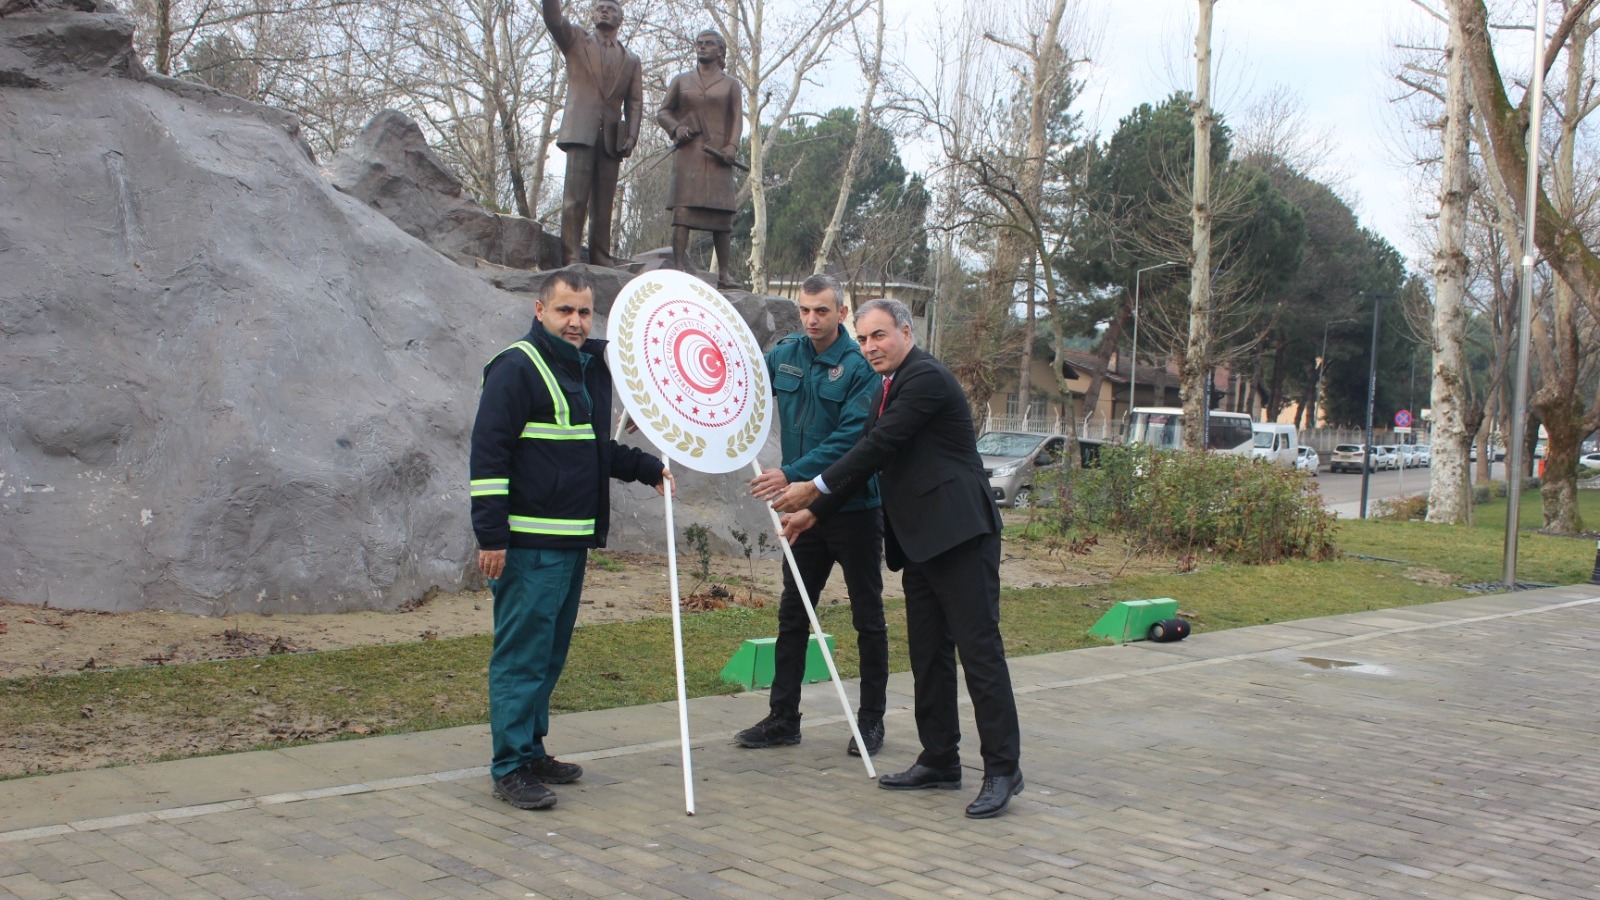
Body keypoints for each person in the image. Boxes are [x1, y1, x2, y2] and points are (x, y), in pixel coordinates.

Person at [772, 298, 1024, 819]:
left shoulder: (926, 379)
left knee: (979, 654)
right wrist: (816, 513)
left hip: (961, 535)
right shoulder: (886, 386)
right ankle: (939, 759)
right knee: (928, 653)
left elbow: (880, 446)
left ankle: (1003, 770)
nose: (870, 347)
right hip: (920, 543)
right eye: (862, 339)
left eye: (879, 336)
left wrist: (810, 486)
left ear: (906, 332)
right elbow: (866, 451)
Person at [470, 267, 674, 810]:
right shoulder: (516, 368)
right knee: (522, 658)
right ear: (540, 311)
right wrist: (491, 536)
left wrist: (645, 467)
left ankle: (531, 750)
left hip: (569, 541)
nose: (577, 322)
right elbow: (488, 458)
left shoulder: (581, 371)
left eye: (584, 312)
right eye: (565, 310)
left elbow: (588, 451)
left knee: (549, 654)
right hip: (528, 545)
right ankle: (510, 767)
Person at [743, 274, 889, 756]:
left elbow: (851, 441)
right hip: (803, 512)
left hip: (854, 508)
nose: (811, 319)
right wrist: (662, 411)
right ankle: (783, 717)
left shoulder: (860, 367)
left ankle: (870, 720)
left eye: (822, 311)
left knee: (867, 618)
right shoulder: (785, 354)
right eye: (804, 310)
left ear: (841, 313)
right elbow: (739, 388)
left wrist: (792, 475)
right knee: (793, 613)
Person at [539, 0, 643, 268]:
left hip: (611, 138)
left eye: (610, 8)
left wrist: (631, 135)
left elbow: (634, 102)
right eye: (599, 7)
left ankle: (601, 257)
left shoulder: (631, 60)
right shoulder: (576, 40)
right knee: (575, 200)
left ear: (621, 18)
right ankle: (571, 257)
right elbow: (553, 20)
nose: (604, 11)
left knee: (604, 204)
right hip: (581, 131)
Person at [656, 29, 743, 288]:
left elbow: (737, 118)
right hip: (688, 156)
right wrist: (676, 128)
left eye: (707, 44)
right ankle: (679, 267)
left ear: (720, 51)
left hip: (718, 158)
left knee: (722, 217)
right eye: (698, 44)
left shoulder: (731, 84)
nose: (701, 48)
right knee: (683, 212)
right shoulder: (682, 81)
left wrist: (732, 145)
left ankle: (724, 274)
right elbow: (663, 111)